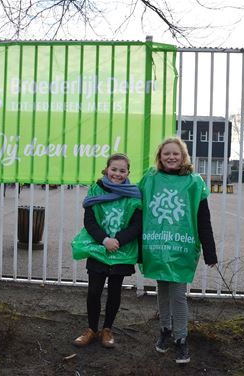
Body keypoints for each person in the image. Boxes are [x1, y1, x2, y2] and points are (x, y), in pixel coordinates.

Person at [138, 138, 217, 364]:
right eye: (166, 154)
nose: (171, 157)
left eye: (176, 154)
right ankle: (165, 329)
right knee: (162, 289)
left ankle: (181, 339)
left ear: (183, 157)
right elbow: (135, 208)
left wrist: (210, 251)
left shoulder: (194, 183)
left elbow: (203, 219)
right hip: (157, 245)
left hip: (181, 247)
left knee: (178, 294)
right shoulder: (150, 179)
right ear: (160, 157)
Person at [71, 153, 142, 349]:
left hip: (121, 251)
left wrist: (118, 240)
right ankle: (92, 329)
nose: (117, 174)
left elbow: (137, 225)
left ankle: (107, 329)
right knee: (93, 291)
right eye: (114, 169)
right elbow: (90, 221)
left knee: (114, 292)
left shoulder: (134, 194)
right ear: (106, 169)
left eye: (122, 170)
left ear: (128, 172)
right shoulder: (95, 191)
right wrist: (104, 240)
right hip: (99, 248)